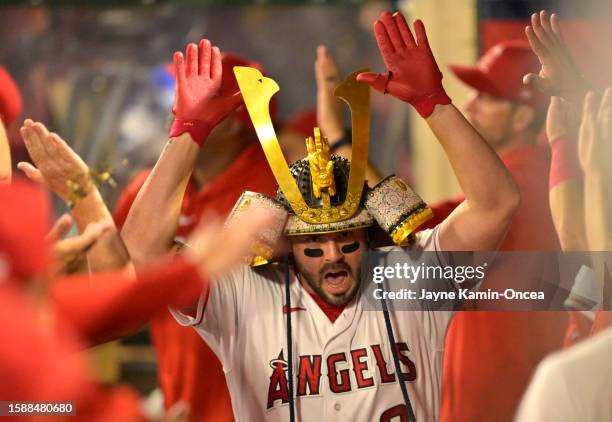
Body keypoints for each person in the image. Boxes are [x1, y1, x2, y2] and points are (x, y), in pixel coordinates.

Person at [127, 12, 518, 420]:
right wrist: (188, 129)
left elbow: (496, 205)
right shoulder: (244, 293)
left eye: (347, 239)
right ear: (287, 242)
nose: (332, 254)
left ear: (369, 235)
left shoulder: (408, 278)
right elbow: (141, 254)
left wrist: (433, 103)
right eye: (314, 242)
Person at [116, 47, 277, 420]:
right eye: (182, 93)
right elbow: (122, 281)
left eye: (202, 97)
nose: (179, 105)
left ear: (237, 121)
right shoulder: (151, 188)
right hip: (183, 404)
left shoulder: (277, 185)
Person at [437, 15, 575, 421]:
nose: (470, 106)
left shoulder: (516, 184)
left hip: (497, 394)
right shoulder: (539, 172)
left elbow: (409, 229)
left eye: (487, 97)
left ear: (521, 118)